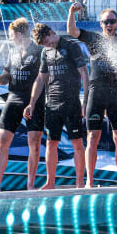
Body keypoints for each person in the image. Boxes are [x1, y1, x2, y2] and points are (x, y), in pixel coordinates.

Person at [67, 3, 117, 187]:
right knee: (92, 138)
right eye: (106, 22)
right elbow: (72, 30)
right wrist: (72, 12)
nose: (109, 25)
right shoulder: (93, 38)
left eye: (112, 21)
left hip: (115, 93)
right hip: (96, 93)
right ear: (101, 24)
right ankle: (89, 181)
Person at [25, 24, 88, 190]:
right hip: (52, 102)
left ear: (52, 33)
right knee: (52, 143)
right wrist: (31, 103)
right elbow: (40, 79)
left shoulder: (72, 46)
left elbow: (84, 73)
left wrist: (86, 101)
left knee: (77, 143)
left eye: (48, 41)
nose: (48, 45)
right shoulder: (46, 52)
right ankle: (50, 182)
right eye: (44, 44)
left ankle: (79, 183)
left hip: (71, 102)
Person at [0, 18, 44, 192]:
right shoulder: (12, 52)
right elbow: (6, 77)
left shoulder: (39, 51)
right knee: (3, 140)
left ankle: (30, 185)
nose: (10, 39)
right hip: (13, 97)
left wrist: (33, 102)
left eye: (12, 36)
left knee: (34, 143)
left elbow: (41, 79)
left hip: (34, 100)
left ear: (20, 34)